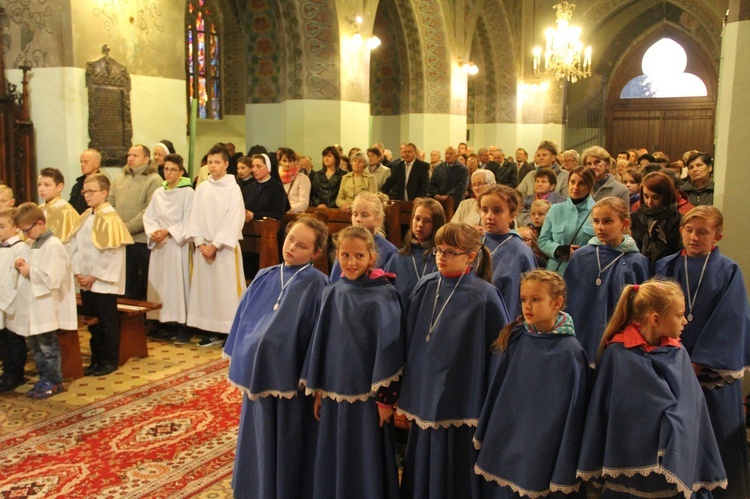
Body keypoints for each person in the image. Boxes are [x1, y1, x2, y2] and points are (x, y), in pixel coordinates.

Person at [577, 279, 728, 497]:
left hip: (675, 465)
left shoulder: (678, 351)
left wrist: (680, 422)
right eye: (679, 315)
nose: (685, 321)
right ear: (655, 319)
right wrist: (671, 422)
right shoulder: (619, 355)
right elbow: (633, 409)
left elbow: (693, 403)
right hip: (633, 467)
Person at [398, 223, 510, 499]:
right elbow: (408, 337)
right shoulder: (425, 286)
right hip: (424, 391)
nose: (441, 257)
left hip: (462, 394)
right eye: (438, 250)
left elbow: (498, 352)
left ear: (471, 256)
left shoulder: (484, 295)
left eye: (450, 252)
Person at [224, 216, 329, 499]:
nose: (292, 247)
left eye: (302, 245)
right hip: (257, 374)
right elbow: (244, 320)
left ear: (315, 253)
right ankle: (254, 488)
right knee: (257, 435)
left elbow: (319, 335)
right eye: (291, 239)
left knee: (286, 439)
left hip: (290, 380)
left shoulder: (319, 285)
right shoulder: (264, 276)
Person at [301, 226, 404, 499]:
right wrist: (320, 390)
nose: (351, 262)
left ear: (372, 257)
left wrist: (384, 399)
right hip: (335, 393)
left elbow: (390, 351)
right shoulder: (332, 292)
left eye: (359, 255)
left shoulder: (384, 295)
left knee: (365, 453)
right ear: (336, 256)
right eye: (345, 255)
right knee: (337, 450)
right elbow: (321, 344)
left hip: (368, 399)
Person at [655, 206, 750, 498]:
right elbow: (652, 314)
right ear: (681, 230)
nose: (694, 237)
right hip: (669, 365)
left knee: (716, 436)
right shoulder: (665, 266)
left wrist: (696, 363)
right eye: (689, 230)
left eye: (703, 232)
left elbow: (731, 319)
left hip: (708, 374)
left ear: (717, 236)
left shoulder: (729, 271)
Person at [474, 270, 589, 498]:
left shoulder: (570, 351)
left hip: (546, 443)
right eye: (524, 299)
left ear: (557, 303)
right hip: (511, 434)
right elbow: (501, 393)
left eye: (536, 300)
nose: (527, 306)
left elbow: (572, 412)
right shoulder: (517, 338)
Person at [564, 197, 650, 362]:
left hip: (617, 340)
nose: (600, 227)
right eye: (596, 221)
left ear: (624, 224)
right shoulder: (581, 256)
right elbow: (569, 298)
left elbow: (639, 308)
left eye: (608, 221)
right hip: (581, 332)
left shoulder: (637, 261)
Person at [67, 174, 133, 377]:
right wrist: (78, 272)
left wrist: (94, 276)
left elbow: (112, 254)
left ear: (104, 193)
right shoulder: (86, 215)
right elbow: (75, 246)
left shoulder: (111, 218)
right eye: (85, 191)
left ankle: (109, 359)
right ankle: (96, 358)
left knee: (107, 322)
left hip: (103, 282)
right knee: (93, 323)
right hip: (86, 280)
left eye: (91, 191)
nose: (87, 195)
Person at [12, 202, 77, 398]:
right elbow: (28, 266)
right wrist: (20, 263)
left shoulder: (54, 245)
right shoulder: (32, 243)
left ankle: (54, 380)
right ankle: (43, 378)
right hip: (33, 304)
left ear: (40, 223)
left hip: (47, 303)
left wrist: (30, 270)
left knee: (48, 346)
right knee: (34, 345)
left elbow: (53, 278)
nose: (24, 234)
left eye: (26, 230)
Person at [186, 143, 246, 347]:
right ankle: (212, 329)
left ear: (226, 164)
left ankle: (230, 331)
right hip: (204, 247)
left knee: (226, 290)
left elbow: (234, 218)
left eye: (217, 162)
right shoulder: (202, 188)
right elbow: (194, 216)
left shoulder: (233, 188)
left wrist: (216, 244)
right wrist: (200, 243)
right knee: (208, 291)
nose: (212, 166)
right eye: (210, 162)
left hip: (224, 248)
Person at [142, 154, 194, 342]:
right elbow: (149, 217)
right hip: (160, 245)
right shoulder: (159, 192)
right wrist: (154, 231)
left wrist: (169, 231)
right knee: (160, 284)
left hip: (176, 245)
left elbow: (189, 219)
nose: (169, 173)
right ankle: (162, 322)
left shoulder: (187, 192)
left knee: (177, 285)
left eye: (173, 169)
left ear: (181, 172)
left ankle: (181, 325)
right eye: (166, 169)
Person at [108, 144, 163, 300]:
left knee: (145, 282)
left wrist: (128, 227)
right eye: (129, 155)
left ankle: (146, 320)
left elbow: (150, 209)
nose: (130, 158)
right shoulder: (119, 178)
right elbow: (110, 203)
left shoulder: (154, 179)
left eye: (135, 155)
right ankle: (127, 320)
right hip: (121, 239)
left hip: (141, 240)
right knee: (126, 282)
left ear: (146, 159)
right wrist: (116, 226)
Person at [478, 185, 537, 318]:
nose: (489, 216)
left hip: (505, 319)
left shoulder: (521, 252)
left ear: (512, 215)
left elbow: (530, 294)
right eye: (484, 210)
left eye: (497, 211)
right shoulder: (474, 244)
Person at [384, 197, 446, 299]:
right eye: (417, 219)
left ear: (437, 224)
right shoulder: (398, 257)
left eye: (427, 221)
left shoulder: (441, 257)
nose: (420, 225)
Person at [538, 166, 596, 275]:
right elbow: (542, 241)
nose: (575, 187)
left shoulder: (598, 211)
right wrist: (558, 250)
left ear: (590, 186)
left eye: (581, 183)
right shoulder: (555, 209)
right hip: (556, 274)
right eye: (572, 182)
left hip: (585, 273)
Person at [329, 191, 397, 283]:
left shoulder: (390, 251)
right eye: (355, 214)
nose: (358, 219)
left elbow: (390, 284)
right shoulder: (345, 244)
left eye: (364, 215)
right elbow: (334, 281)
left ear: (377, 220)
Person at [0, 207, 29, 392]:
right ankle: (7, 370)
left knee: (14, 338)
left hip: (14, 300)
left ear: (15, 228)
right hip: (1, 299)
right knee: (3, 339)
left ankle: (16, 373)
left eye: (2, 226)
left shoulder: (21, 248)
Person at [631, 171, 682, 268]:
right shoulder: (634, 218)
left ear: (666, 196)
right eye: (646, 196)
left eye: (656, 197)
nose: (649, 202)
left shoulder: (678, 220)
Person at [36, 167, 80, 241]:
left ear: (59, 187)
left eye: (47, 185)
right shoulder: (38, 210)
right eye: (39, 185)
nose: (41, 189)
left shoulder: (66, 211)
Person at [69, 149, 104, 214]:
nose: (82, 165)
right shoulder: (77, 185)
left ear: (96, 164)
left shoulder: (102, 185)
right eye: (81, 162)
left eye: (86, 162)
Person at [278, 147, 311, 213]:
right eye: (284, 161)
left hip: (296, 217)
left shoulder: (302, 178)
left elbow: (303, 204)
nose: (287, 164)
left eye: (290, 161)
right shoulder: (276, 177)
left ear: (294, 162)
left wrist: (285, 209)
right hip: (280, 215)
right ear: (280, 162)